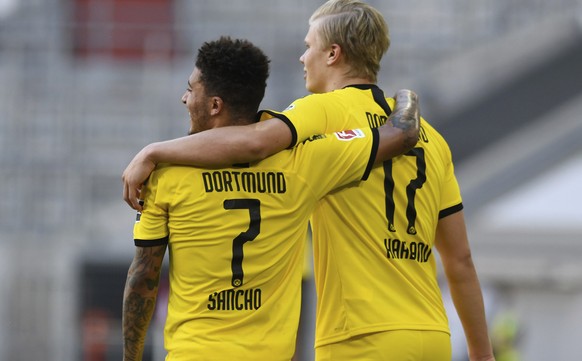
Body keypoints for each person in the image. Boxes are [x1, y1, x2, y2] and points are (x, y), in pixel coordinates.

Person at [121, 1, 495, 360]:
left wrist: (153, 151)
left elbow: (254, 141)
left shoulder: (320, 114)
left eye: (308, 47)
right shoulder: (431, 138)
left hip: (359, 336)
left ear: (332, 54)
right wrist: (481, 354)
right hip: (431, 332)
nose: (302, 58)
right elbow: (460, 259)